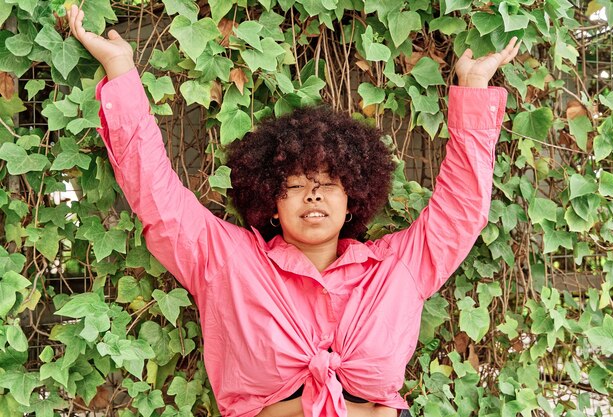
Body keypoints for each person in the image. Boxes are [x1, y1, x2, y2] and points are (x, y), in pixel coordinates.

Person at [66, 5, 519, 417]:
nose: (313, 197)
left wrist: (474, 88)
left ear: (353, 199)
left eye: (327, 186)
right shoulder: (226, 263)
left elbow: (461, 210)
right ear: (271, 201)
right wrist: (120, 68)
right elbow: (156, 197)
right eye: (295, 186)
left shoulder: (399, 268)